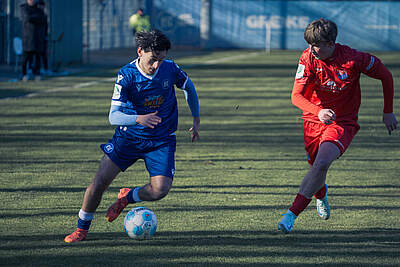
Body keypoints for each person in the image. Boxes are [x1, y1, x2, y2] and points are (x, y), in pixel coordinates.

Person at [64, 29, 200, 243]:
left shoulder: (170, 68)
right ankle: (81, 229)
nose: (157, 65)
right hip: (129, 138)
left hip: (161, 140)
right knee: (99, 182)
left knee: (160, 190)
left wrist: (196, 118)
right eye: (153, 59)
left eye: (161, 60)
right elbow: (113, 116)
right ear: (140, 51)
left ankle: (127, 197)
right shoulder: (126, 75)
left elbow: (189, 88)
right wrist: (139, 118)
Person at [278, 18, 397, 233]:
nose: (311, 49)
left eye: (316, 45)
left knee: (322, 163)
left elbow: (386, 76)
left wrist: (387, 111)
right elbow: (296, 96)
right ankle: (321, 195)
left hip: (342, 122)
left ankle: (290, 215)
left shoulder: (353, 59)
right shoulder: (308, 58)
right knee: (316, 167)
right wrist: (319, 111)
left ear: (331, 44)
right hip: (313, 121)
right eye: (310, 44)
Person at [20, 0, 46, 81]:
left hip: (37, 38)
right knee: (26, 58)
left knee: (37, 57)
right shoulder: (24, 8)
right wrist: (36, 17)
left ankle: (37, 74)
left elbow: (42, 19)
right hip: (27, 38)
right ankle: (24, 74)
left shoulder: (39, 10)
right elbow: (27, 17)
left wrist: (35, 17)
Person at [37, 0, 49, 75]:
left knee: (44, 54)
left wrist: (45, 35)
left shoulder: (44, 15)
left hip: (43, 37)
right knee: (36, 54)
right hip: (36, 38)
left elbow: (46, 27)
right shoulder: (36, 14)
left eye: (42, 6)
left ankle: (45, 68)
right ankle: (34, 69)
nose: (41, 7)